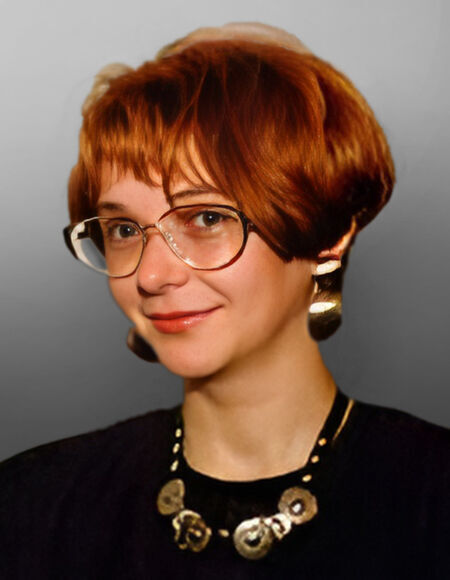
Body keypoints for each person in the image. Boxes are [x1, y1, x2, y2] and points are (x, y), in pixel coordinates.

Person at [1, 22, 449, 579]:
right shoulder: (30, 506)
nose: (151, 275)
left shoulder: (432, 499)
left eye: (207, 218)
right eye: (124, 230)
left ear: (329, 235)